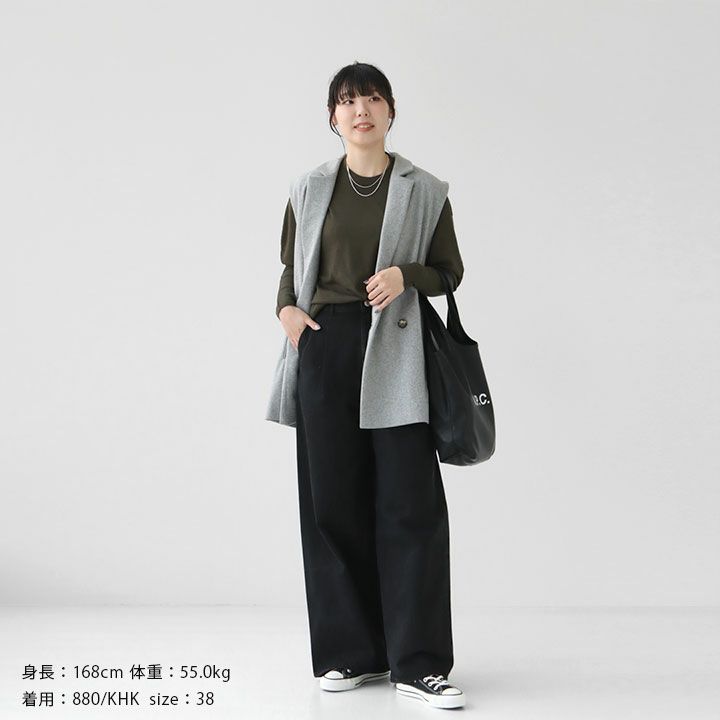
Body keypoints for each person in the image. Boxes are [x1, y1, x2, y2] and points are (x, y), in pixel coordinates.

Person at [267, 61, 466, 710]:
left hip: (396, 348)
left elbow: (449, 271)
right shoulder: (307, 187)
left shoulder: (425, 189)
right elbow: (290, 265)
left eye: (373, 99)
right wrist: (286, 312)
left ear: (391, 111)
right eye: (349, 101)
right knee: (333, 505)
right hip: (326, 346)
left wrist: (406, 275)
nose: (362, 110)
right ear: (333, 117)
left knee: (410, 504)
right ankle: (351, 651)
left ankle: (419, 664)